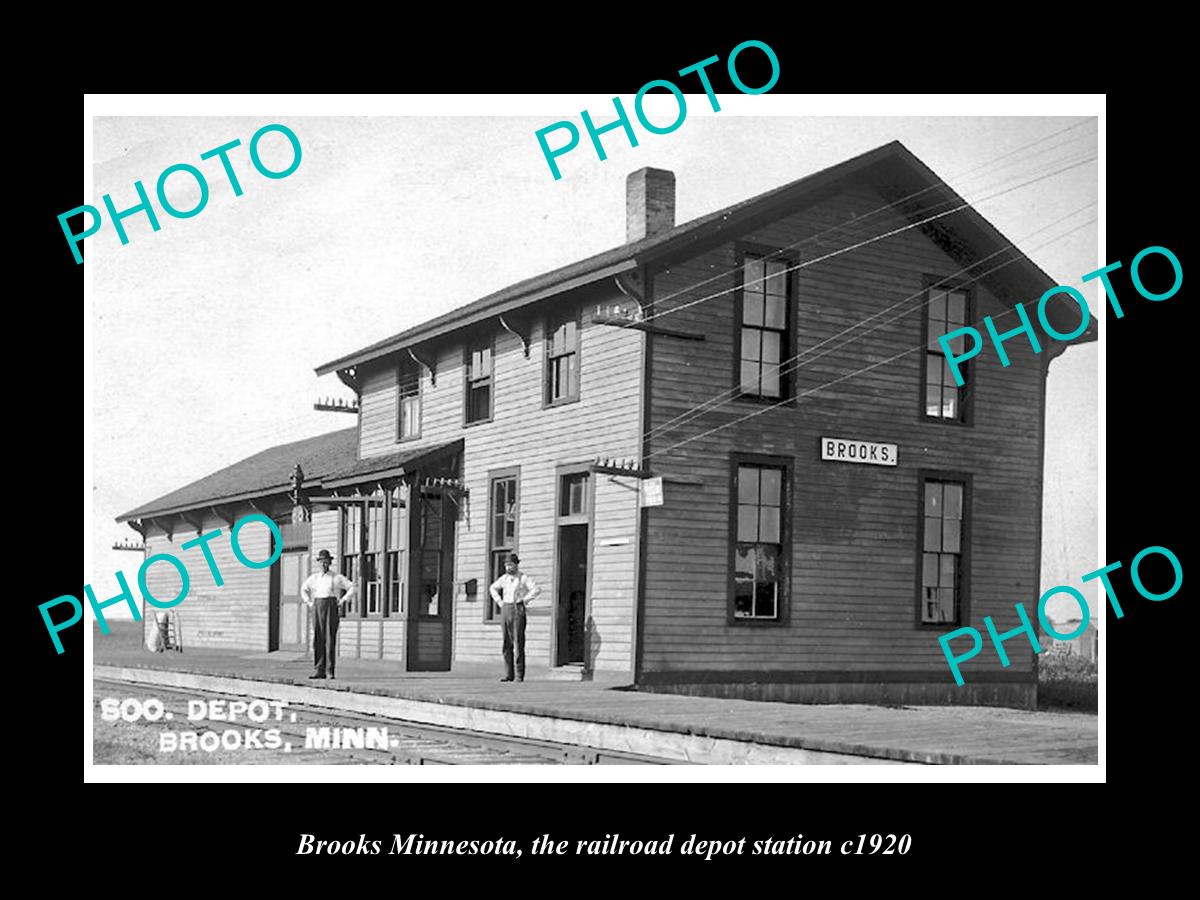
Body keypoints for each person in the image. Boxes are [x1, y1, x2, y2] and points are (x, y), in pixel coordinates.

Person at [300, 549, 356, 680]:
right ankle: (319, 670)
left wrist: (342, 601)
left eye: (326, 562)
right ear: (318, 563)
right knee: (318, 638)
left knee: (330, 638)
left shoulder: (336, 577)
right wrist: (309, 602)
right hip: (317, 606)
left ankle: (330, 670)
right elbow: (303, 589)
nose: (324, 565)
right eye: (321, 562)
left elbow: (353, 587)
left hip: (331, 606)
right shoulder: (314, 578)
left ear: (330, 563)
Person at [489, 552, 541, 682]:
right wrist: (500, 602)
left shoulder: (523, 578)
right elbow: (493, 588)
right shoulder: (504, 579)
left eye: (510, 565)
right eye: (506, 565)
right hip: (506, 608)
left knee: (518, 641)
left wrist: (525, 599)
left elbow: (536, 589)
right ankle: (508, 674)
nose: (508, 568)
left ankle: (519, 675)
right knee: (506, 642)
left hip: (518, 608)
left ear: (516, 565)